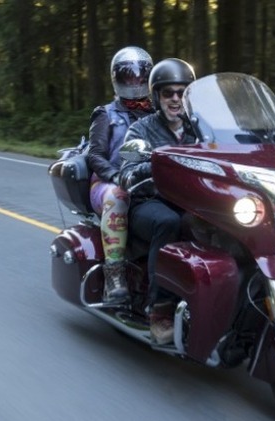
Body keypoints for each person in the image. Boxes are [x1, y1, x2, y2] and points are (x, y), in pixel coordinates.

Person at [118, 58, 196, 344]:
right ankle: (160, 312)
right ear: (157, 96)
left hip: (190, 201)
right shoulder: (142, 130)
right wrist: (158, 162)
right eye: (168, 93)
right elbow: (125, 176)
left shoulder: (199, 130)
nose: (175, 99)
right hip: (149, 202)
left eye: (182, 92)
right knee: (169, 222)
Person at [86, 46, 154, 304]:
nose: (135, 81)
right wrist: (115, 176)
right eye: (128, 76)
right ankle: (114, 275)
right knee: (118, 198)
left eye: (140, 76)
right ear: (117, 78)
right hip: (107, 184)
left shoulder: (158, 113)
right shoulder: (106, 114)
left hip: (148, 181)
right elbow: (95, 156)